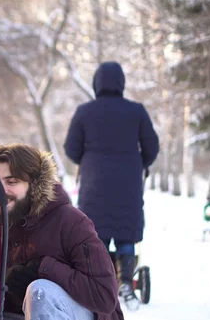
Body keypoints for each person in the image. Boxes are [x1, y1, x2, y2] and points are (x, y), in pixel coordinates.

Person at [0, 143, 123, 320]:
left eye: (11, 182)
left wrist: (43, 268)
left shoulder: (71, 222)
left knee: (41, 292)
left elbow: (104, 296)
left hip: (85, 312)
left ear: (33, 185)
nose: (0, 191)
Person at [63, 61, 159, 309]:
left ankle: (99, 284)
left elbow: (71, 148)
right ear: (121, 83)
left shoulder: (85, 112)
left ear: (96, 83)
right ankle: (126, 281)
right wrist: (138, 164)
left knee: (97, 235)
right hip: (128, 184)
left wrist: (88, 159)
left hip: (94, 183)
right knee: (126, 233)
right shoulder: (136, 111)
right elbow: (152, 147)